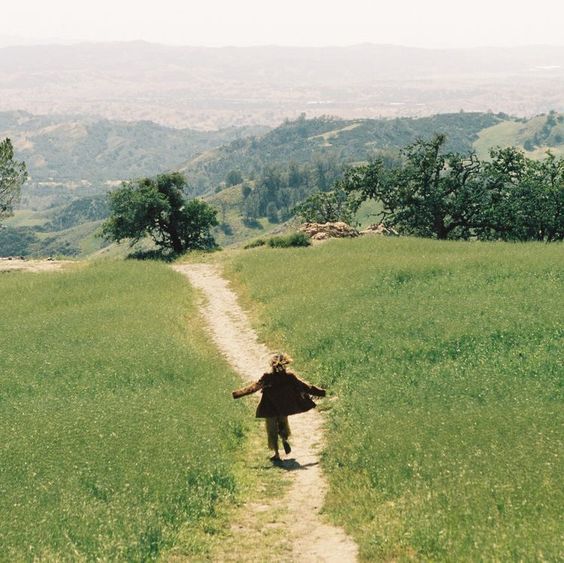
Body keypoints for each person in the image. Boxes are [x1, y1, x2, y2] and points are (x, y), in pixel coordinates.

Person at [232, 353, 326, 461]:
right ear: (285, 365)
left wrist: (237, 394)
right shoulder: (289, 377)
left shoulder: (267, 377)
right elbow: (305, 387)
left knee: (271, 430)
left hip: (269, 406)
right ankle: (284, 439)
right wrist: (321, 392)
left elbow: (254, 388)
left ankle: (276, 454)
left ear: (272, 366)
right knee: (283, 424)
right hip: (284, 406)